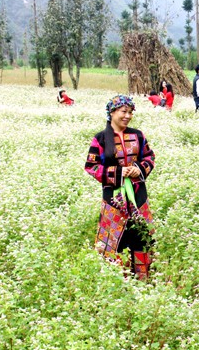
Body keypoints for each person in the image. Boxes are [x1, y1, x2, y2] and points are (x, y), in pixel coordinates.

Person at [84, 95, 156, 280]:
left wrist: (138, 169)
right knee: (115, 240)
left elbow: (149, 157)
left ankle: (143, 279)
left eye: (130, 112)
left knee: (141, 236)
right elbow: (91, 166)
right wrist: (118, 172)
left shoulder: (137, 135)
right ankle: (117, 281)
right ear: (112, 112)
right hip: (113, 199)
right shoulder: (100, 139)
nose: (128, 116)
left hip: (138, 196)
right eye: (124, 111)